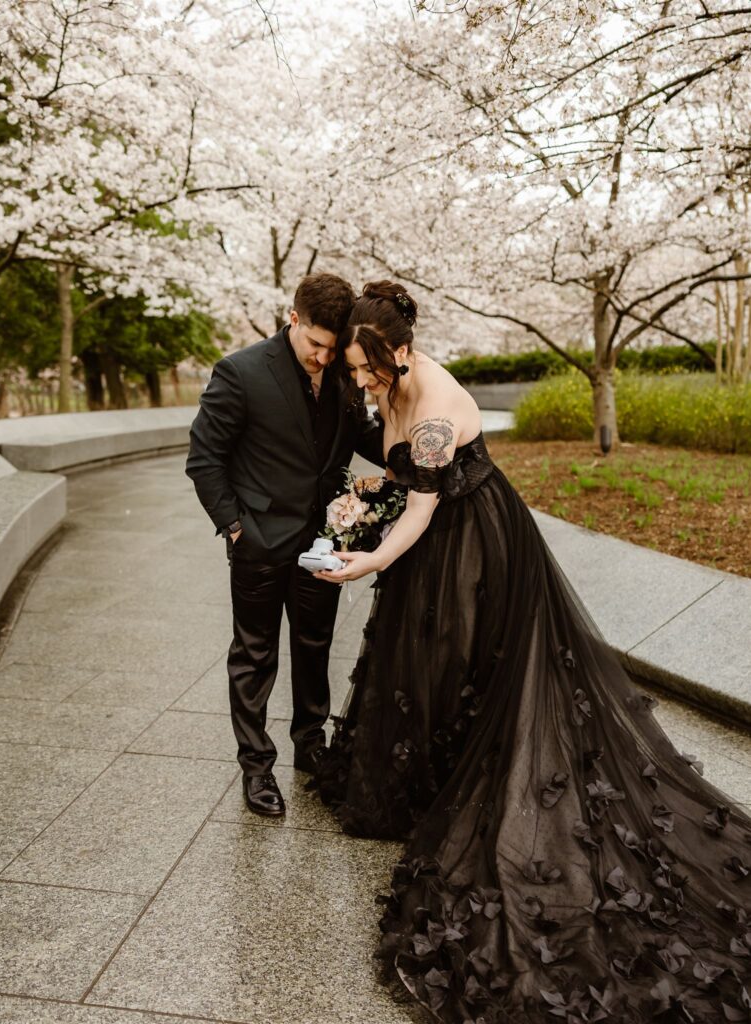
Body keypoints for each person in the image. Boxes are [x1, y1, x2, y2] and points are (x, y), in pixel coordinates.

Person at [312, 280, 751, 1023]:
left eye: (367, 369)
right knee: (419, 660)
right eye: (354, 369)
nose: (359, 381)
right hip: (433, 533)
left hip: (474, 541)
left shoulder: (436, 409)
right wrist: (362, 497)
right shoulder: (391, 386)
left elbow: (423, 504)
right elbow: (400, 481)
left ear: (402, 352)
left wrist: (366, 560)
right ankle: (428, 778)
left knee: (459, 657)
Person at [186, 273, 384, 818]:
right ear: (292, 318)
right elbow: (204, 459)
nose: (323, 357)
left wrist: (411, 443)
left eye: (331, 346)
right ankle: (256, 766)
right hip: (258, 541)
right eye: (314, 343)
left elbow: (359, 435)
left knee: (316, 643)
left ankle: (310, 745)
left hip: (323, 539)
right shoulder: (241, 371)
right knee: (254, 655)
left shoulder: (343, 372)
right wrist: (234, 527)